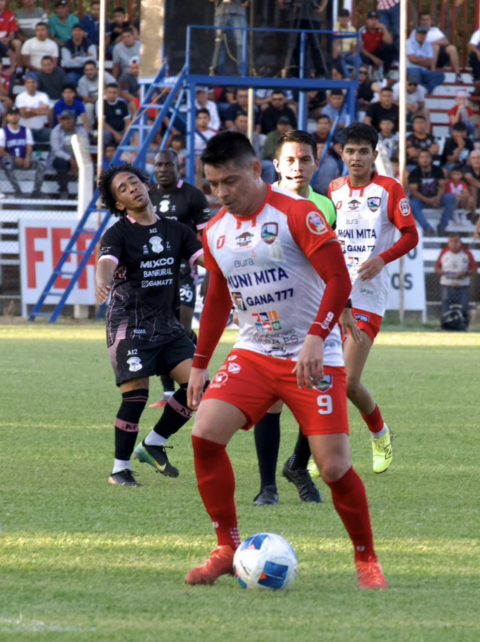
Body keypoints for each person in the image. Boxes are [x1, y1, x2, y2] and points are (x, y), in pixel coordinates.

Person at [184, 130, 389, 590]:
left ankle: (366, 559)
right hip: (255, 352)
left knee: (334, 467)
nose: (222, 193)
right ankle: (225, 547)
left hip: (314, 355)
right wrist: (200, 362)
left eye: (230, 181)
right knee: (204, 436)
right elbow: (218, 298)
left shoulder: (299, 214)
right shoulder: (215, 231)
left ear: (257, 170)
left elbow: (338, 279)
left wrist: (318, 336)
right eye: (213, 184)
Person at [92, 162, 206, 486]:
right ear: (118, 203)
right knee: (137, 395)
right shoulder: (118, 234)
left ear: (146, 184)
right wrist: (102, 281)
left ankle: (154, 443)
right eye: (123, 189)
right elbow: (106, 264)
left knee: (200, 386)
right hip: (129, 324)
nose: (132, 189)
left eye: (134, 182)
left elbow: (205, 261)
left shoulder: (177, 231)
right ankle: (119, 470)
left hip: (167, 326)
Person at [249, 129, 336, 505]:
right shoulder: (261, 201)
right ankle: (267, 486)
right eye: (290, 160)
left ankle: (298, 465)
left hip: (315, 315)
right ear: (276, 165)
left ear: (316, 164)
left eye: (305, 160)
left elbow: (332, 264)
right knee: (272, 400)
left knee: (315, 394)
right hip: (270, 312)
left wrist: (341, 311)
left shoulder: (325, 206)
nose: (297, 167)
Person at [143, 150, 212, 405]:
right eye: (158, 164)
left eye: (168, 165)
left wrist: (209, 274)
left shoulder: (192, 195)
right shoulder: (148, 195)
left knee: (180, 328)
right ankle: (169, 393)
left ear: (177, 166)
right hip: (157, 269)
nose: (162, 169)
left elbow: (207, 236)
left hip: (186, 269)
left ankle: (199, 377)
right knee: (162, 328)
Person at [204, 0, 257, 76]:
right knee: (219, 42)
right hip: (220, 12)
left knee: (241, 43)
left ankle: (242, 72)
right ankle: (217, 72)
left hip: (239, 13)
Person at [277, 0, 329, 77]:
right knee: (293, 44)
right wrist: (282, 1)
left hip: (312, 16)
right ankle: (293, 71)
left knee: (315, 44)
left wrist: (321, 8)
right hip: (294, 14)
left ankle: (320, 72)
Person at [0, 106, 43, 197]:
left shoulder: (26, 130)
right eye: (11, 114)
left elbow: (29, 148)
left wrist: (27, 159)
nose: (14, 116)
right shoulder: (2, 131)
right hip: (11, 160)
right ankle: (17, 190)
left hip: (24, 159)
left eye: (16, 114)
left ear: (19, 116)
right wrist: (15, 158)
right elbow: (1, 151)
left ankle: (36, 190)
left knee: (42, 162)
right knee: (7, 162)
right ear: (7, 117)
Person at [435, 234, 477, 328]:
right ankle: (445, 325)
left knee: (464, 307)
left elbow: (474, 270)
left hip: (463, 286)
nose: (454, 244)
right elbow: (437, 268)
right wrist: (443, 272)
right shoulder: (444, 253)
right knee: (445, 306)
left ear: (460, 242)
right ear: (448, 243)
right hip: (447, 285)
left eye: (456, 241)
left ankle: (464, 326)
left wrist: (464, 274)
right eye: (452, 241)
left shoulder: (466, 254)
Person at [49, 110, 88, 197]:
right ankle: (63, 191)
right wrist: (70, 159)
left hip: (78, 157)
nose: (66, 121)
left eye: (68, 119)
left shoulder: (81, 130)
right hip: (62, 158)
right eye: (63, 119)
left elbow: (85, 146)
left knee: (89, 166)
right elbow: (56, 150)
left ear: (74, 120)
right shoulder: (56, 131)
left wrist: (78, 159)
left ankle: (84, 193)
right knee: (61, 163)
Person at [406, 27, 446, 93]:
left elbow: (430, 62)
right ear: (415, 34)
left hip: (424, 70)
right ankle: (418, 92)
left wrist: (417, 60)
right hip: (411, 68)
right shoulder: (408, 42)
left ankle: (425, 90)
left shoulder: (428, 44)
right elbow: (412, 59)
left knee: (440, 76)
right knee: (414, 76)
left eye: (424, 34)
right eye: (420, 34)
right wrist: (424, 60)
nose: (422, 36)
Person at [15, 73, 53, 142]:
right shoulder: (20, 97)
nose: (31, 85)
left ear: (37, 84)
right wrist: (40, 112)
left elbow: (47, 111)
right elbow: (24, 114)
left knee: (53, 135)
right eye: (28, 82)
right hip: (25, 131)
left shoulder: (43, 95)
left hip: (40, 130)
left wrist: (29, 109)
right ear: (25, 84)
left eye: (33, 82)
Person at [358, 10, 395, 78]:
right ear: (367, 20)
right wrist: (374, 58)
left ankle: (385, 72)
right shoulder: (362, 30)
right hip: (367, 54)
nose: (373, 21)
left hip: (378, 52)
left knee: (389, 48)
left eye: (375, 19)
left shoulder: (381, 29)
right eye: (371, 19)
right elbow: (361, 48)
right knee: (363, 57)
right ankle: (367, 76)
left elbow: (389, 42)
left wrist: (384, 28)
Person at [99, 82, 131, 147]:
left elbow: (127, 121)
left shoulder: (122, 103)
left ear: (118, 93)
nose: (112, 95)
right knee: (105, 134)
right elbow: (102, 123)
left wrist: (125, 133)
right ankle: (104, 155)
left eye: (114, 93)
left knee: (132, 134)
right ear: (105, 93)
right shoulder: (101, 103)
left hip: (121, 130)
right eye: (109, 92)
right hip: (109, 131)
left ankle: (127, 155)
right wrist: (115, 134)